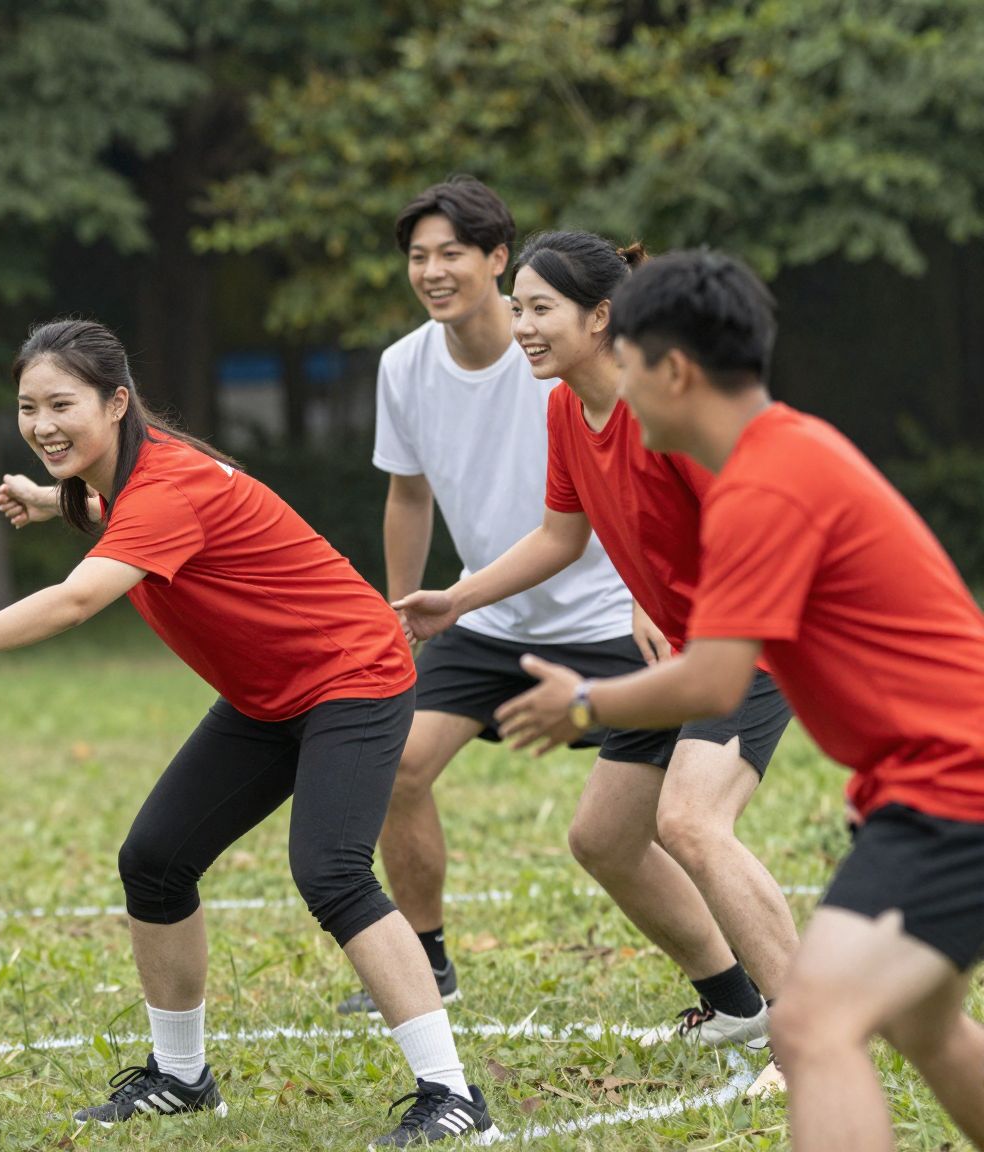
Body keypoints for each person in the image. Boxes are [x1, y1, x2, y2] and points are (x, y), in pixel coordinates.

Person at [0, 319, 496, 1144]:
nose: (42, 424)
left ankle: (454, 1097)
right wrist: (53, 497)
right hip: (269, 694)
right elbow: (117, 508)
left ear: (117, 402)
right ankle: (181, 1077)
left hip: (351, 675)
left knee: (333, 873)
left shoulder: (166, 487)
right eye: (29, 407)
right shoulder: (134, 475)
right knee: (156, 861)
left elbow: (75, 599)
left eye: (63, 404)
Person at [493, 250, 984, 1152]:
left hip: (957, 784)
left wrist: (589, 704)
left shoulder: (764, 487)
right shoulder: (786, 450)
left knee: (812, 1025)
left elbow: (718, 679)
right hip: (925, 783)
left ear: (674, 371)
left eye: (632, 369)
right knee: (921, 1022)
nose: (623, 398)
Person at [394, 232, 798, 1060]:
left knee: (691, 821)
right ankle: (734, 1004)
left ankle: (811, 1041)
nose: (524, 327)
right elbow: (558, 537)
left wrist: (689, 620)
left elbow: (751, 532)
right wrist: (454, 601)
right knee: (604, 838)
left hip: (748, 643)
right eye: (519, 310)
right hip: (677, 659)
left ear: (602, 316)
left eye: (541, 309)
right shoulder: (564, 410)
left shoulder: (669, 408)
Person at [342, 178, 640, 1017]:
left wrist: (655, 594)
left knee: (653, 820)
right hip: (487, 616)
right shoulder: (403, 366)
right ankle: (426, 960)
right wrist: (405, 610)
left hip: (612, 616)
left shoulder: (556, 353)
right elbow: (408, 496)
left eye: (452, 255)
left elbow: (621, 483)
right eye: (417, 257)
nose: (432, 272)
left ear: (498, 260)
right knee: (397, 764)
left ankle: (733, 978)